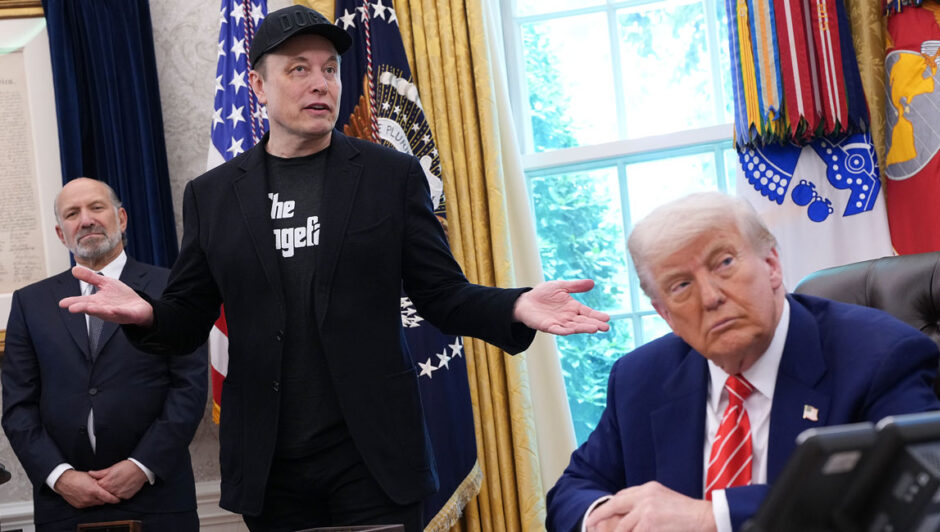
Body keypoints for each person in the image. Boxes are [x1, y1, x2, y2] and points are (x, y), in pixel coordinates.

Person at [58, 5, 609, 532]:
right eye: (298, 69)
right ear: (258, 86)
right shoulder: (214, 195)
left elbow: (442, 294)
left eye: (329, 69)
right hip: (271, 466)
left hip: (374, 456)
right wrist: (145, 315)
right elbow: (186, 318)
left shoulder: (388, 176)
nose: (319, 83)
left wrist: (514, 304)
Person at [545, 192, 940, 532]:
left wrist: (712, 518)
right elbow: (572, 491)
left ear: (771, 265)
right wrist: (606, 519)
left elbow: (914, 491)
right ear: (665, 313)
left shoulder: (878, 355)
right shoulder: (640, 378)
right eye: (681, 286)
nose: (710, 297)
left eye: (724, 264)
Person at [2, 177, 208, 531]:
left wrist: (141, 466)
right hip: (64, 506)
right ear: (60, 233)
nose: (85, 220)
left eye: (96, 207)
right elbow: (18, 406)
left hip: (158, 499)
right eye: (72, 213)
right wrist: (60, 476)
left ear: (122, 218)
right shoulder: (29, 303)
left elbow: (188, 388)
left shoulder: (172, 288)